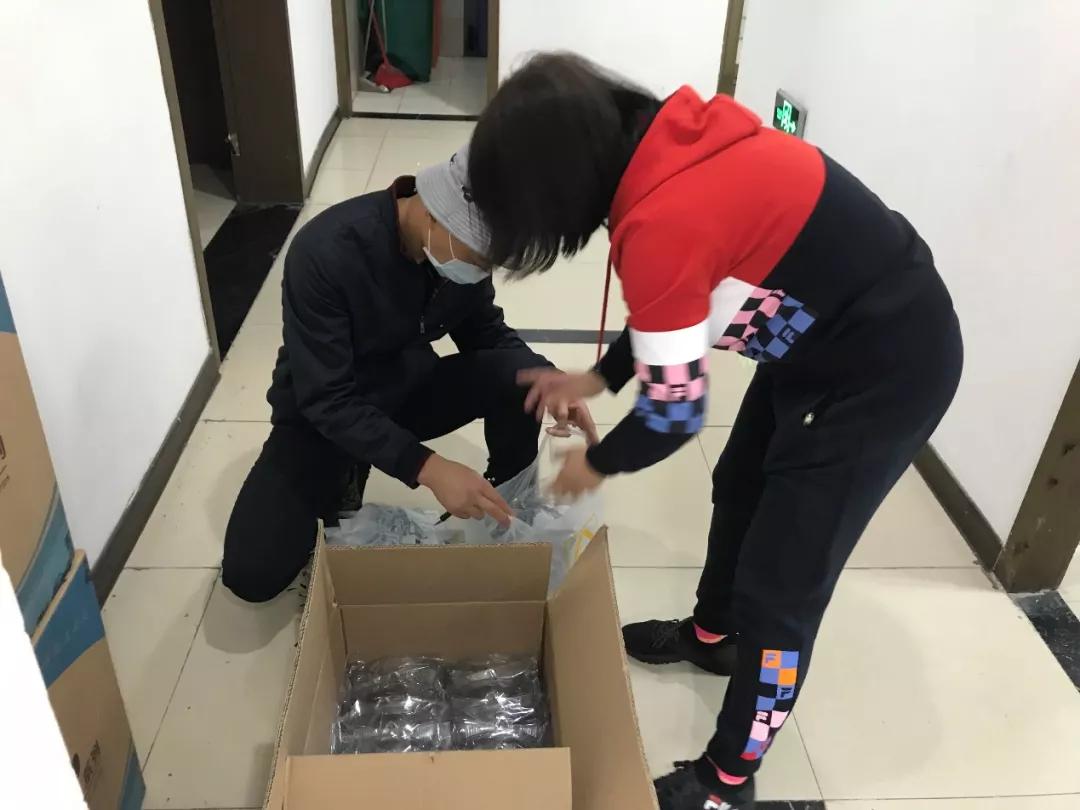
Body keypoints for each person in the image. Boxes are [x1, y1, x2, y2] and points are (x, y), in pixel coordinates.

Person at [467, 54, 963, 810]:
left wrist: (596, 463)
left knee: (782, 588)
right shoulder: (665, 148)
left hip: (883, 368)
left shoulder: (663, 219)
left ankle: (728, 779)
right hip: (820, 339)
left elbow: (675, 413)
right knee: (738, 484)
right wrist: (599, 380)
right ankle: (714, 636)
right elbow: (676, 300)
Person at [221, 145, 597, 604]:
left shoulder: (457, 255)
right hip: (324, 417)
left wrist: (552, 382)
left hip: (406, 391)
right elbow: (326, 398)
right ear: (438, 214)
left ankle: (506, 501)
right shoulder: (327, 252)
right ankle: (348, 470)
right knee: (252, 574)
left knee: (524, 375)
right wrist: (428, 467)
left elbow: (486, 333)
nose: (483, 270)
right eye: (482, 257)